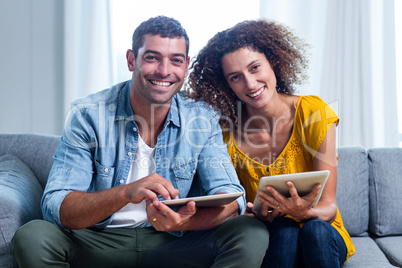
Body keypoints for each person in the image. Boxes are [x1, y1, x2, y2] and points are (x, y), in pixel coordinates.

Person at [12, 16, 269, 268]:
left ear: (186, 65)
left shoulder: (201, 116)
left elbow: (230, 197)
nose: (164, 71)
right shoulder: (88, 114)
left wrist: (184, 223)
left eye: (175, 61)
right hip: (98, 242)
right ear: (131, 59)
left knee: (249, 230)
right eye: (152, 58)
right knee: (33, 236)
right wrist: (127, 192)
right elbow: (56, 206)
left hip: (175, 242)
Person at [188, 19, 355, 267]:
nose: (250, 83)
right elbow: (229, 202)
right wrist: (243, 211)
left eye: (255, 67)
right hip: (273, 235)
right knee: (285, 230)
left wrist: (306, 213)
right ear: (227, 85)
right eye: (236, 77)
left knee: (314, 231)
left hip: (323, 231)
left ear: (273, 62)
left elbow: (329, 206)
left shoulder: (314, 113)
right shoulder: (223, 134)